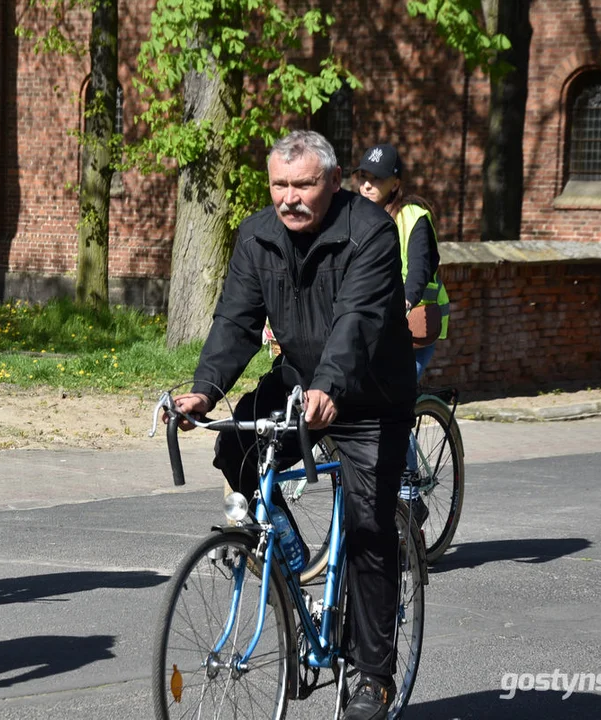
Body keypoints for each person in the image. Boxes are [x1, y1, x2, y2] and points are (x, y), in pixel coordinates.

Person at [170, 130, 417, 720]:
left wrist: (330, 386)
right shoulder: (257, 236)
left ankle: (373, 678)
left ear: (333, 181)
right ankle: (288, 560)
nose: (290, 198)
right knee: (235, 446)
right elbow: (234, 321)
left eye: (303, 184)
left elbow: (357, 320)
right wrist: (205, 390)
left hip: (370, 395)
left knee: (367, 527)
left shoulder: (371, 232)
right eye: (279, 185)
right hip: (300, 380)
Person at [352, 143, 450, 381]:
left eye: (376, 179)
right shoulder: (353, 217)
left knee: (396, 392)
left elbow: (420, 269)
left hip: (413, 324)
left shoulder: (413, 218)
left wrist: (405, 301)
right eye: (363, 177)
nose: (366, 185)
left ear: (395, 184)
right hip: (371, 324)